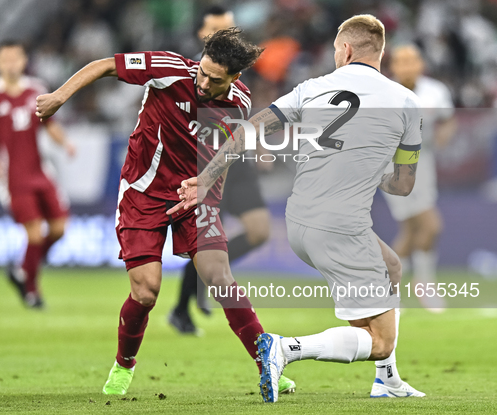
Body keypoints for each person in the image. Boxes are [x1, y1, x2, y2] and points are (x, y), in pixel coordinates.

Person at [168, 15, 426, 402]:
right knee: (380, 342)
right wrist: (376, 173)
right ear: (380, 53)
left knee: (390, 265)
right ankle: (284, 349)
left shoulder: (311, 89)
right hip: (342, 228)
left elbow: (248, 129)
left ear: (345, 50)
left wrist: (205, 179)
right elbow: (404, 185)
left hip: (299, 221)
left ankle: (386, 381)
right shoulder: (407, 102)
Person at [35, 28, 295, 396]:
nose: (203, 82)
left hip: (194, 196)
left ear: (235, 79)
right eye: (202, 72)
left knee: (222, 281)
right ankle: (124, 365)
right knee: (146, 293)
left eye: (214, 79)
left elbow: (229, 147)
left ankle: (267, 363)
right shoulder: (168, 69)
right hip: (143, 192)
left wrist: (205, 183)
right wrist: (60, 97)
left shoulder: (240, 103)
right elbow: (105, 65)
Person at [169, 5, 271, 336]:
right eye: (217, 27)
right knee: (208, 244)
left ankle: (203, 285)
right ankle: (184, 308)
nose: (226, 32)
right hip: (205, 167)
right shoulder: (192, 73)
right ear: (202, 32)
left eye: (229, 26)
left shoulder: (237, 64)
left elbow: (242, 117)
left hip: (236, 164)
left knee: (259, 231)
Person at [0, 41, 74, 308]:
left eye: (15, 58)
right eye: (5, 59)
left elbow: (50, 123)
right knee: (34, 235)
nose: (11, 64)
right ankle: (31, 290)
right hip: (14, 179)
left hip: (41, 172)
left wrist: (65, 142)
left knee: (59, 229)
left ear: (24, 61)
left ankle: (22, 269)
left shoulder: (37, 90)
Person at [383, 45, 456, 312]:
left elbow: (448, 119)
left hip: (425, 163)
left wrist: (444, 135)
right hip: (396, 166)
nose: (407, 65)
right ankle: (423, 285)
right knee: (430, 225)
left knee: (411, 231)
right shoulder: (385, 93)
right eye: (401, 61)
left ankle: (389, 291)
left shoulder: (435, 91)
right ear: (394, 66)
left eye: (412, 60)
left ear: (420, 64)